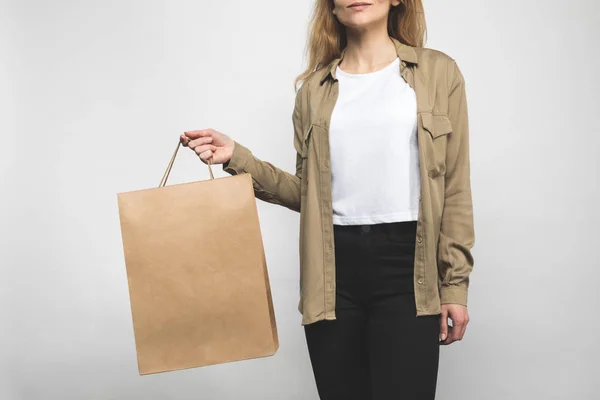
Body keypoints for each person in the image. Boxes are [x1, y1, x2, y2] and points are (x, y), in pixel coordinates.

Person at [180, 1, 475, 398]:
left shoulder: (439, 72)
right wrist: (237, 157)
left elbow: (455, 186)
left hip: (409, 270)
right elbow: (308, 195)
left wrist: (454, 286)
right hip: (332, 274)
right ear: (332, 8)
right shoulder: (313, 91)